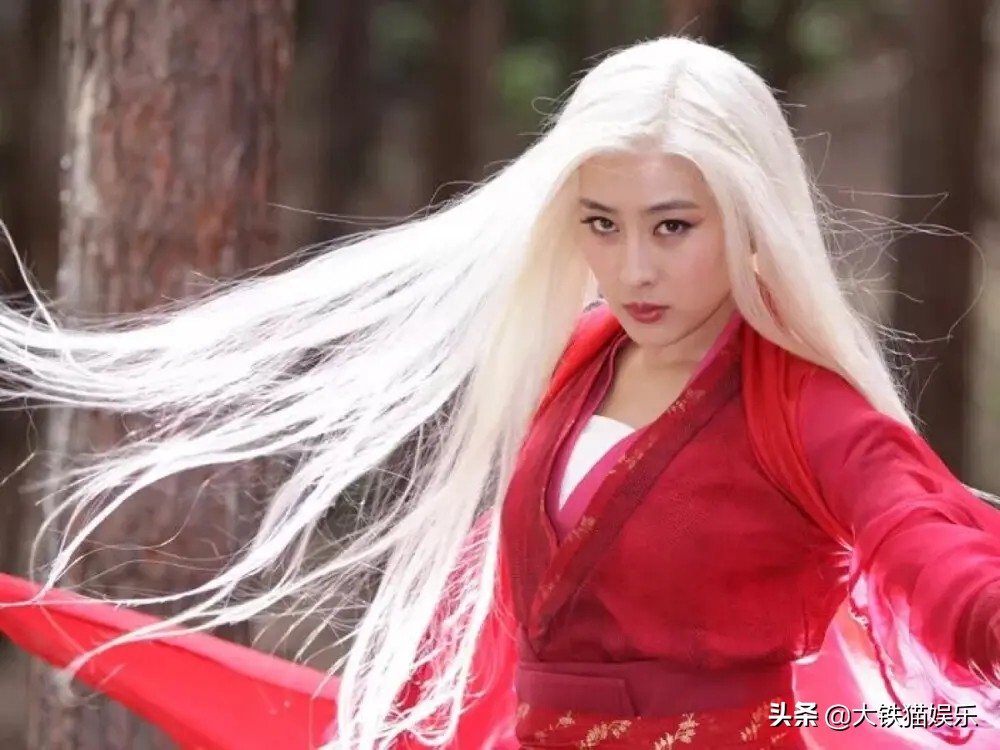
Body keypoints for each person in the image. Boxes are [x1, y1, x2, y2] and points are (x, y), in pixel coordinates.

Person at [0, 35, 998, 750]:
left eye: (672, 226)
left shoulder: (808, 413)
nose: (633, 269)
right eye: (601, 223)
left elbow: (941, 565)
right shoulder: (577, 362)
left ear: (750, 217)